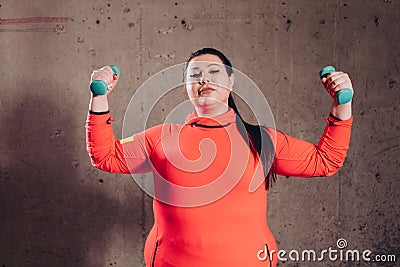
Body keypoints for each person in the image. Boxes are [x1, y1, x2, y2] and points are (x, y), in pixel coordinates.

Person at [86, 48, 353, 266]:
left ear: (231, 81)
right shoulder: (162, 137)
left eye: (214, 72)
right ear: (186, 87)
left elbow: (325, 161)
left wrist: (342, 104)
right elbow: (105, 156)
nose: (205, 79)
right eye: (195, 75)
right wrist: (99, 98)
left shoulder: (261, 140)